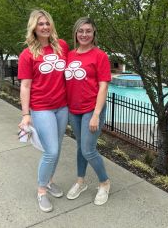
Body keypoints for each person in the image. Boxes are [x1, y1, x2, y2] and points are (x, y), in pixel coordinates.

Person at [18, 9, 69, 212]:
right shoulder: (27, 54)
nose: (45, 27)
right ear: (34, 28)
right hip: (41, 109)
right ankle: (41, 191)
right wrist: (25, 114)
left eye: (48, 23)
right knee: (51, 151)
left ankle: (49, 181)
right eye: (41, 24)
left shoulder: (62, 46)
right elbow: (25, 86)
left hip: (62, 107)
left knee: (57, 149)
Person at [64, 17, 111, 205]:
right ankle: (80, 181)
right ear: (76, 33)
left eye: (88, 31)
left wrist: (96, 114)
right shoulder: (69, 54)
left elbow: (103, 87)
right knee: (80, 147)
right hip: (73, 110)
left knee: (88, 149)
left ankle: (104, 182)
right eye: (81, 30)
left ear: (94, 34)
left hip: (92, 110)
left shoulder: (100, 56)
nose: (84, 34)